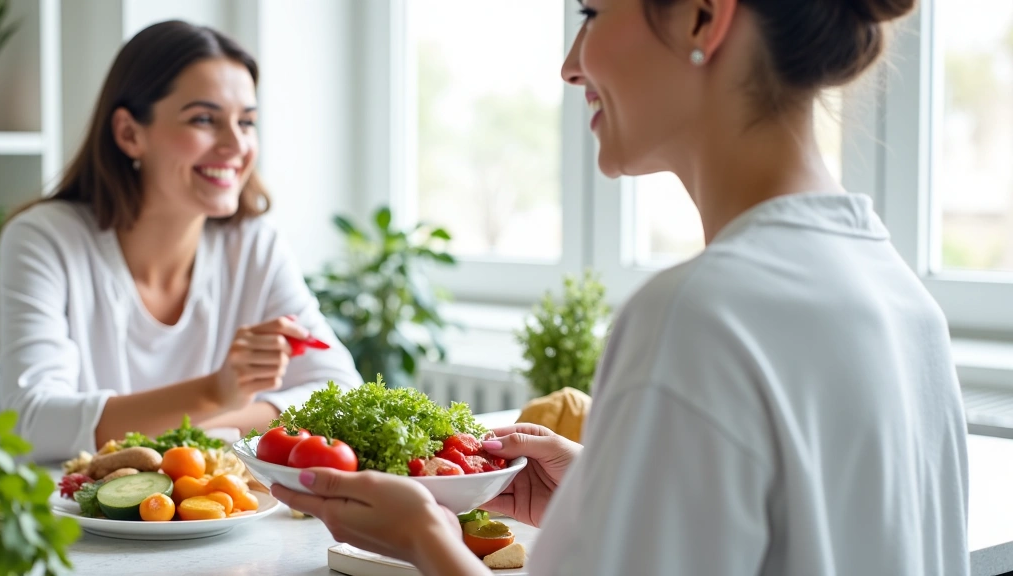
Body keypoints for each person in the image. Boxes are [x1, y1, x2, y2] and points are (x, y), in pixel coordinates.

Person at [274, 0, 970, 574]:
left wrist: (429, 543)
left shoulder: (698, 317)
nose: (570, 65)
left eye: (591, 12)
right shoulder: (907, 305)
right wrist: (599, 494)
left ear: (703, 18)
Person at [0, 22, 361, 462]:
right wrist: (214, 394)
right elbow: (30, 425)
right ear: (130, 133)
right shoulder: (44, 239)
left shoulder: (254, 245)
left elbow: (339, 392)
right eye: (204, 119)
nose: (236, 144)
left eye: (246, 121)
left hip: (211, 516)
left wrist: (202, 421)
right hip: (60, 520)